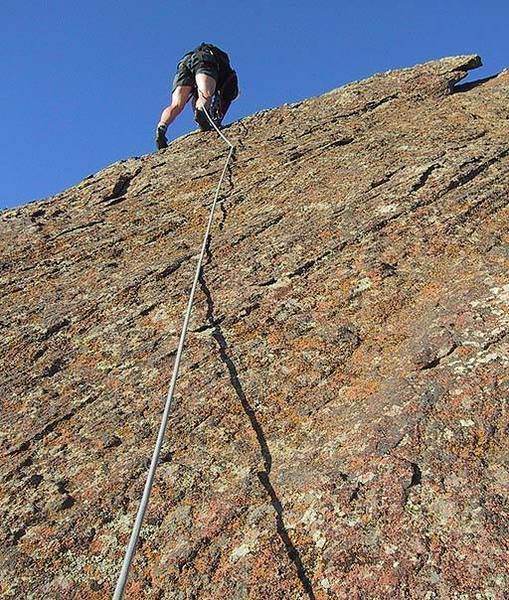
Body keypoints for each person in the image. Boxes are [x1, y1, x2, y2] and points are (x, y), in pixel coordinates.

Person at [156, 43, 239, 149]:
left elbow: (196, 99)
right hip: (205, 59)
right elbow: (221, 102)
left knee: (176, 104)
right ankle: (202, 110)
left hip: (185, 62)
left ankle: (162, 126)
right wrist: (213, 121)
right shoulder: (231, 83)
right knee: (206, 93)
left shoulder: (224, 71)